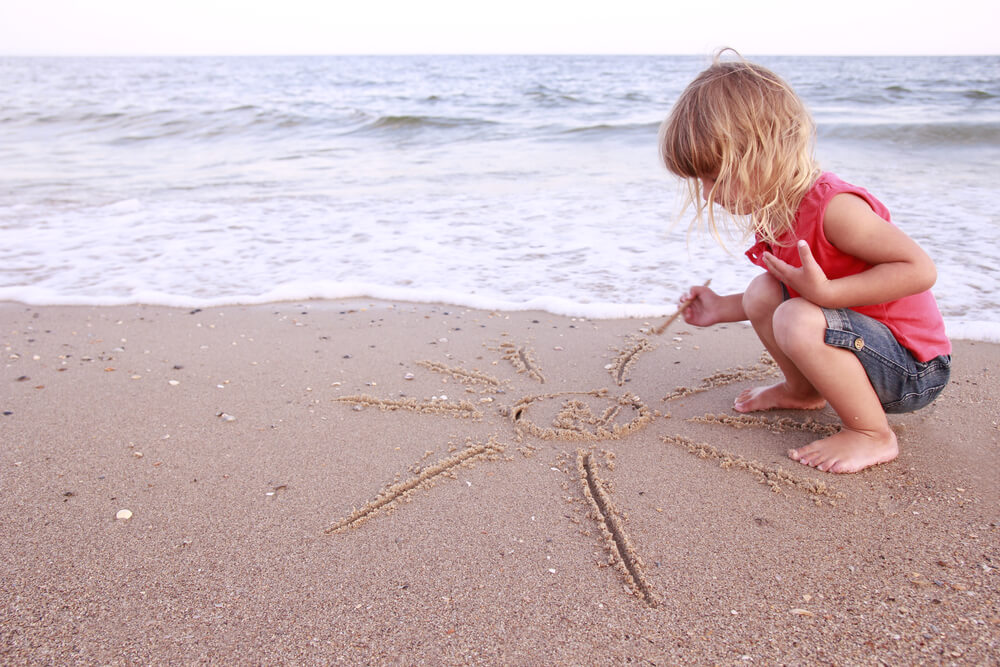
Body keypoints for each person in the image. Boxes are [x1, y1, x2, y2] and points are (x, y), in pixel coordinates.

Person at [659, 50, 952, 473]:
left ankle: (872, 434)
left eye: (714, 176)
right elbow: (781, 293)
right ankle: (802, 391)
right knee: (765, 290)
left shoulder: (835, 208)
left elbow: (920, 270)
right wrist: (722, 307)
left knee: (796, 316)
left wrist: (828, 293)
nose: (707, 194)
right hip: (859, 354)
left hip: (912, 370)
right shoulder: (774, 212)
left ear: (762, 152)